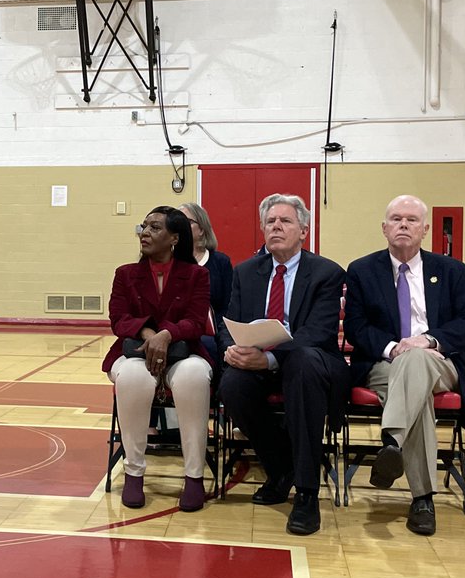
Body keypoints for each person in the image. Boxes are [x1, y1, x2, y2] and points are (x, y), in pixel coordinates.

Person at [344, 195, 465, 536]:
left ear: (425, 229)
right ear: (384, 228)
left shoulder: (453, 271)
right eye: (396, 219)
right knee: (414, 388)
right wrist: (395, 349)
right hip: (383, 363)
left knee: (418, 359)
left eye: (411, 220)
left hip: (439, 361)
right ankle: (422, 499)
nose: (403, 225)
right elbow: (357, 328)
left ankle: (393, 440)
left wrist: (428, 340)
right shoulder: (362, 270)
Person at [216, 194, 347, 536]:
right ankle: (281, 467)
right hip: (258, 362)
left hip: (307, 364)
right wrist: (232, 349)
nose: (276, 226)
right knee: (231, 384)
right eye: (270, 222)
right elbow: (226, 322)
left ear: (304, 230)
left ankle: (306, 493)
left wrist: (272, 359)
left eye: (285, 221)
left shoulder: (326, 273)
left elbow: (317, 333)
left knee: (303, 364)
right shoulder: (245, 272)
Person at [104, 206, 213, 512]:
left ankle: (194, 476)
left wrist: (167, 335)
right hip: (136, 352)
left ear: (174, 238)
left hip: (183, 351)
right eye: (144, 227)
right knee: (133, 377)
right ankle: (134, 472)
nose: (145, 233)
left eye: (154, 228)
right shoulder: (125, 274)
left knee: (194, 375)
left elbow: (195, 322)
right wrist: (150, 334)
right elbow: (118, 320)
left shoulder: (197, 275)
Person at [177, 202, 233, 364]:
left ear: (201, 229)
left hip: (212, 331)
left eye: (186, 221)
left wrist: (218, 331)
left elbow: (228, 306)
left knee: (217, 346)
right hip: (177, 329)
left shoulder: (221, 262)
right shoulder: (168, 261)